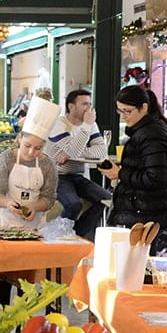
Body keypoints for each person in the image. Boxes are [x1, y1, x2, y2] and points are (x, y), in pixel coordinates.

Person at [0, 96, 59, 305]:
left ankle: (22, 329)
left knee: (26, 282)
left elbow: (49, 197)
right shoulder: (6, 159)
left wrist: (34, 207)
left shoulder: (47, 165)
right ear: (20, 138)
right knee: (3, 278)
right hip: (5, 225)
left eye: (37, 148)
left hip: (33, 227)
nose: (31, 152)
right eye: (28, 145)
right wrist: (9, 203)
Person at [99, 85, 167, 253]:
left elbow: (156, 177)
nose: (124, 117)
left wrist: (120, 173)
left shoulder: (151, 134)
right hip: (141, 209)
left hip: (146, 213)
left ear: (144, 108)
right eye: (120, 112)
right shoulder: (145, 131)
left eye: (128, 111)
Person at [46, 89, 112, 240]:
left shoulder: (90, 124)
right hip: (58, 176)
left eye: (90, 104)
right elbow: (74, 150)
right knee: (73, 204)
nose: (88, 109)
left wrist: (70, 154)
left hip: (78, 176)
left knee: (106, 199)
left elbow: (101, 152)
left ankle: (76, 235)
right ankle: (59, 234)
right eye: (84, 104)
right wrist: (86, 127)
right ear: (71, 107)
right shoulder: (58, 124)